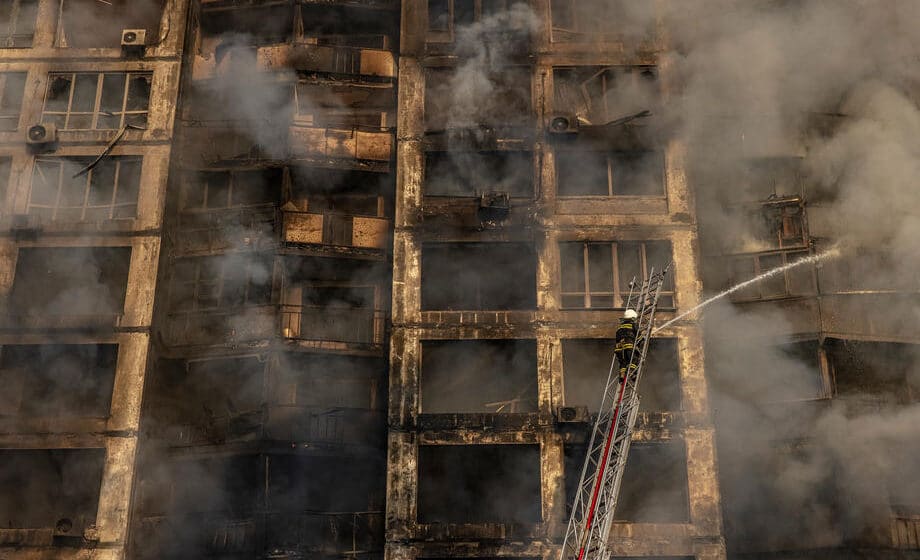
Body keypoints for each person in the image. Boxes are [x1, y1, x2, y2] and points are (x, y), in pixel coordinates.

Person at [614, 309, 639, 383]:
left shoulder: (620, 328)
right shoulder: (632, 325)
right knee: (634, 360)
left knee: (623, 363)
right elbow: (638, 335)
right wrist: (641, 339)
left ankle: (622, 377)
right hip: (629, 346)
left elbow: (617, 339)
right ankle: (632, 374)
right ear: (632, 318)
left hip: (619, 349)